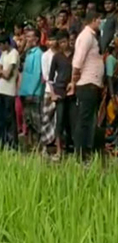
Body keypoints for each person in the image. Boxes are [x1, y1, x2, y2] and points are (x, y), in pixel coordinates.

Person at [71, 11, 104, 160]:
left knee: (87, 119)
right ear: (94, 20)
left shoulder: (91, 36)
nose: (101, 23)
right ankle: (79, 153)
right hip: (86, 83)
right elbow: (78, 61)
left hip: (91, 83)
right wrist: (74, 79)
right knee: (84, 119)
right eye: (99, 20)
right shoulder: (86, 37)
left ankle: (84, 150)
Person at [50, 30, 76, 158]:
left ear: (69, 40)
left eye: (64, 41)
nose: (63, 44)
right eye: (60, 43)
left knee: (72, 120)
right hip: (59, 90)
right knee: (59, 121)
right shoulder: (57, 57)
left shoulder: (75, 54)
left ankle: (72, 147)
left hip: (72, 91)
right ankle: (59, 150)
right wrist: (52, 93)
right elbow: (50, 78)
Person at [19, 28, 44, 151]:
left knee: (36, 120)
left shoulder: (38, 53)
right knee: (27, 119)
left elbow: (37, 74)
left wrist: (32, 91)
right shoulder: (28, 53)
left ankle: (39, 145)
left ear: (36, 39)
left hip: (33, 92)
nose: (27, 39)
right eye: (26, 37)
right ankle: (30, 143)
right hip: (25, 91)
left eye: (29, 37)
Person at [0, 33, 20, 149]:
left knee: (10, 118)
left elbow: (7, 74)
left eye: (0, 45)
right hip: (0, 89)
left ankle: (12, 143)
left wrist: (0, 72)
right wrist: (0, 72)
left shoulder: (14, 54)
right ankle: (1, 141)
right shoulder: (3, 54)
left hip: (9, 91)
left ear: (6, 43)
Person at [41, 29, 59, 149]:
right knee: (46, 118)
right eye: (50, 40)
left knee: (58, 119)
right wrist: (52, 90)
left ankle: (57, 143)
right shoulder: (45, 55)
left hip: (61, 89)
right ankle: (45, 144)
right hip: (49, 90)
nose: (52, 42)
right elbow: (46, 75)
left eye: (54, 39)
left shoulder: (60, 54)